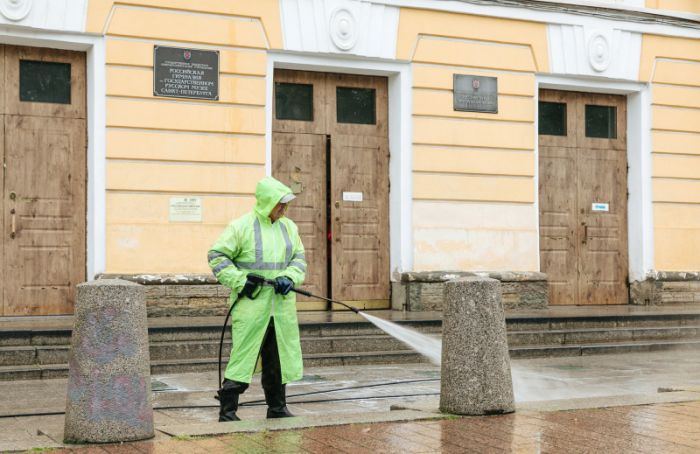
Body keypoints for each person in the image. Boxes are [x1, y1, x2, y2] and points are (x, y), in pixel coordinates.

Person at [207, 176, 307, 421]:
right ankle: (228, 411)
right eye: (279, 204)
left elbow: (299, 259)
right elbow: (217, 256)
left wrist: (290, 277)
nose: (284, 208)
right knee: (243, 357)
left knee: (278, 360)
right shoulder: (240, 227)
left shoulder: (289, 228)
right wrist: (241, 281)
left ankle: (277, 408)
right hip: (251, 306)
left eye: (286, 204)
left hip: (281, 308)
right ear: (266, 202)